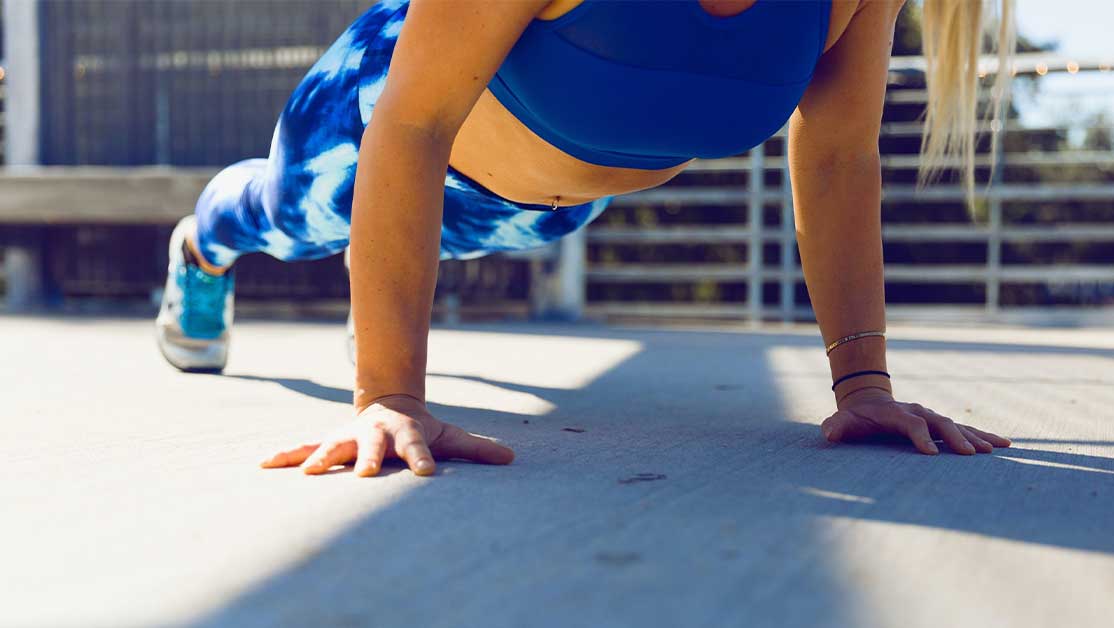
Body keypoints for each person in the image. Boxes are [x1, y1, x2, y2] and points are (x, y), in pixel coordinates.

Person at [155, 0, 1015, 477]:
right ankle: (200, 250)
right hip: (372, 124)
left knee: (415, 247)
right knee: (280, 217)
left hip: (542, 211)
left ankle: (376, 281)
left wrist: (863, 384)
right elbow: (412, 125)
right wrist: (392, 395)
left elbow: (834, 158)